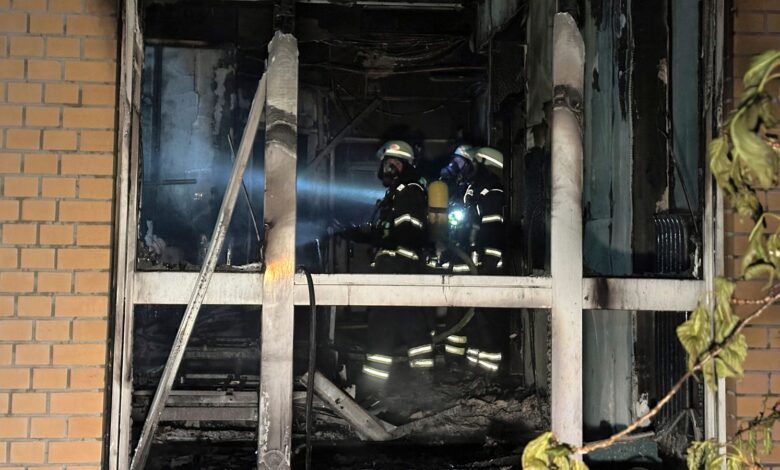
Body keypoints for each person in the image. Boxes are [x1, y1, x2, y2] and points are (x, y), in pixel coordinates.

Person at [348, 140, 433, 395]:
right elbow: (388, 235)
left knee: (382, 325)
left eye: (393, 162)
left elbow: (408, 232)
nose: (388, 167)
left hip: (398, 269)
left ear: (405, 165)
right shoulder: (395, 195)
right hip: (397, 269)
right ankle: (422, 382)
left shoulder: (409, 191)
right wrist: (357, 235)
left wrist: (396, 263)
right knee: (411, 324)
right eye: (386, 163)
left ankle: (375, 387)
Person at [438, 145, 507, 374]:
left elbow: (493, 229)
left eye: (464, 163)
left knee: (482, 321)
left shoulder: (491, 192)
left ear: (482, 165)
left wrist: (489, 262)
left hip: (481, 269)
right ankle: (457, 366)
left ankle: (487, 373)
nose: (458, 168)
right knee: (458, 317)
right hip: (465, 266)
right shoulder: (468, 191)